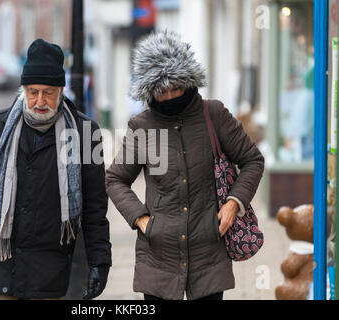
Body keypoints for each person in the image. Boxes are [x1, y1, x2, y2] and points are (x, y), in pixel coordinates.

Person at [105, 31, 265, 300]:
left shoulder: (213, 114)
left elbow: (253, 160)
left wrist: (233, 203)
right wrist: (142, 220)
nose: (169, 97)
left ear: (189, 81)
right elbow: (115, 179)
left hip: (209, 255)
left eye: (176, 88)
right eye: (161, 91)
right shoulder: (141, 126)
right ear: (150, 91)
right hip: (158, 258)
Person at [0, 39, 112, 300]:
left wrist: (99, 262)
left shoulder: (85, 134)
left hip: (48, 277)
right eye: (32, 91)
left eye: (48, 92)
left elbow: (95, 206)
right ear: (23, 89)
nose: (39, 100)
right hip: (0, 271)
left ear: (61, 91)